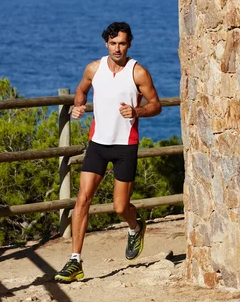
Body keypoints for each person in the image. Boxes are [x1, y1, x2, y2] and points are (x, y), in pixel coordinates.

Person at [54, 22, 162, 282]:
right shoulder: (94, 68)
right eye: (113, 43)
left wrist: (137, 111)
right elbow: (81, 90)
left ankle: (136, 227)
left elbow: (156, 105)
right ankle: (75, 261)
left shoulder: (138, 73)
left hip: (126, 145)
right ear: (106, 44)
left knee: (119, 206)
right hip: (98, 144)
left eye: (122, 43)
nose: (117, 48)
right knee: (83, 199)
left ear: (129, 44)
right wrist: (78, 107)